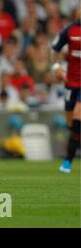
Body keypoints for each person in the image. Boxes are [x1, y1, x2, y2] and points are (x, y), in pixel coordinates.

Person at [52, 11, 80, 173]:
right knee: (72, 124)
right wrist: (56, 68)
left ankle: (67, 161)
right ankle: (69, 157)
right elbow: (54, 50)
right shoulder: (69, 30)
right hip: (70, 83)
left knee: (77, 117)